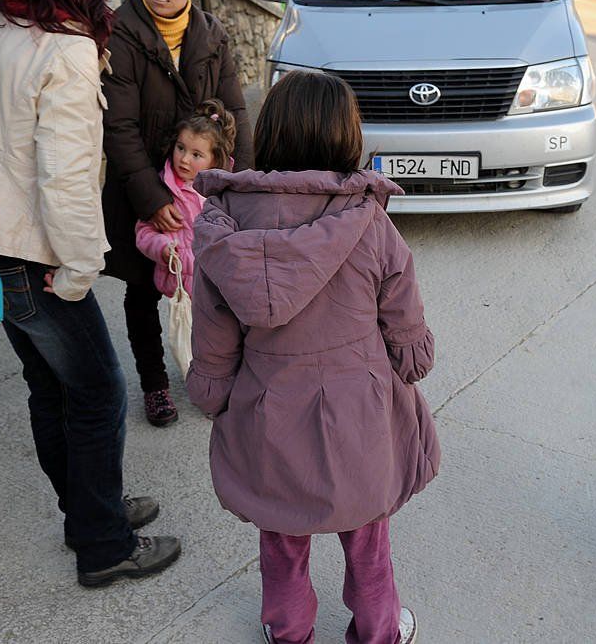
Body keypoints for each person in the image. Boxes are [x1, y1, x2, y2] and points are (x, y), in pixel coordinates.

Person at [0, 0, 180, 588]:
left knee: (50, 390)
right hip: (34, 255)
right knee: (97, 393)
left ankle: (91, 513)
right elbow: (68, 177)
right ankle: (105, 545)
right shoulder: (67, 51)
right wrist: (83, 269)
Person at [186, 70, 438, 644]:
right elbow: (405, 330)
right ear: (346, 138)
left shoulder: (224, 228)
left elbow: (214, 338)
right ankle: (378, 631)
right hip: (359, 414)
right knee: (368, 536)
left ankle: (288, 629)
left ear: (271, 135)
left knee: (280, 537)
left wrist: (214, 393)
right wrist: (410, 363)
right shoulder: (370, 223)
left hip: (268, 410)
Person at [101, 0, 253, 428]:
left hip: (205, 188)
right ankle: (155, 386)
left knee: (213, 288)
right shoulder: (121, 33)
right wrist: (150, 196)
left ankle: (213, 375)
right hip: (141, 186)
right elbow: (118, 125)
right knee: (142, 290)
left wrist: (244, 189)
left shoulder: (212, 34)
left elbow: (235, 110)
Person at [133, 99, 236, 300]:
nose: (184, 159)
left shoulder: (224, 194)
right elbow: (144, 231)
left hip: (214, 290)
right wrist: (162, 248)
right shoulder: (164, 189)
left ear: (214, 159)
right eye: (181, 148)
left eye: (196, 155)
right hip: (177, 287)